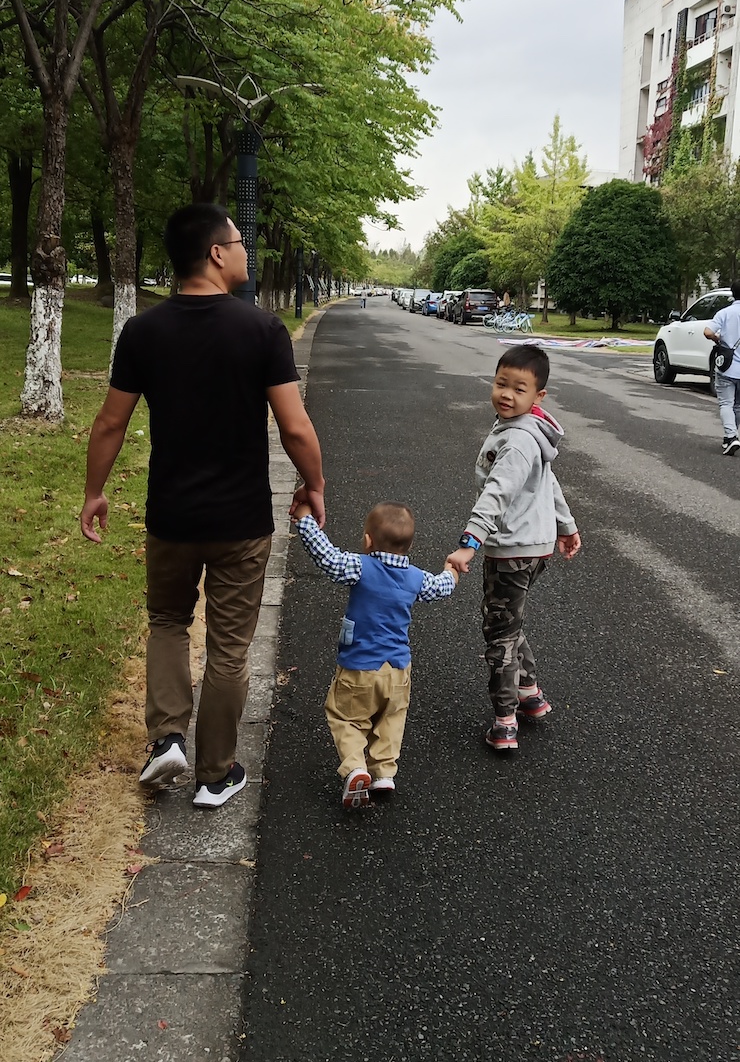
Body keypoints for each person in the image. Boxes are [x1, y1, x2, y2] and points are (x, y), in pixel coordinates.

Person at [80, 202, 325, 808]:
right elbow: (295, 427)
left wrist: (94, 491)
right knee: (229, 648)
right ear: (217, 253)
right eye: (239, 243)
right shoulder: (261, 330)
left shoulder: (143, 332)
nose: (245, 252)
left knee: (167, 621)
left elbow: (110, 422)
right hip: (241, 519)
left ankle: (166, 738)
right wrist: (313, 484)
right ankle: (216, 774)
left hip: (171, 516)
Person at [447, 344, 581, 752]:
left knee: (499, 633)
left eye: (519, 389)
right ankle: (529, 694)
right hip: (534, 547)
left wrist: (469, 543)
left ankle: (505, 720)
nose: (506, 394)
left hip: (511, 549)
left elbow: (497, 493)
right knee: (508, 622)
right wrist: (566, 526)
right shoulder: (528, 430)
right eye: (501, 383)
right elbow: (548, 482)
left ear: (538, 396)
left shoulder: (519, 441)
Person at [292, 501, 457, 808]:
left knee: (345, 717)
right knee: (392, 719)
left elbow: (327, 557)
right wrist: (452, 572)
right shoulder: (416, 577)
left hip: (359, 666)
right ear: (409, 546)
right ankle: (383, 772)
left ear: (368, 541)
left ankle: (355, 768)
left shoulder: (360, 567)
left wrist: (304, 520)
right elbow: (440, 587)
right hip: (398, 670)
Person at [704, 283, 740, 455]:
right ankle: (730, 437)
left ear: (733, 294)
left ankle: (731, 437)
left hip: (727, 367)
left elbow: (707, 332)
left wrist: (718, 339)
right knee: (738, 405)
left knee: (726, 403)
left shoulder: (725, 313)